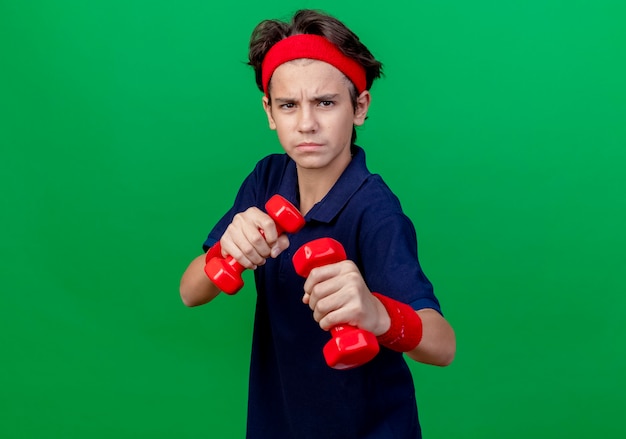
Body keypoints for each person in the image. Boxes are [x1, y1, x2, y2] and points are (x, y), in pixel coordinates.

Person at [180, 9, 456, 439]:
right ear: (269, 111)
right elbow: (190, 292)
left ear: (359, 107)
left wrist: (378, 315)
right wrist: (226, 251)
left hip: (371, 428)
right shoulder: (267, 179)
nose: (306, 123)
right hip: (280, 421)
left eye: (325, 103)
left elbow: (442, 345)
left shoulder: (375, 210)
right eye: (289, 105)